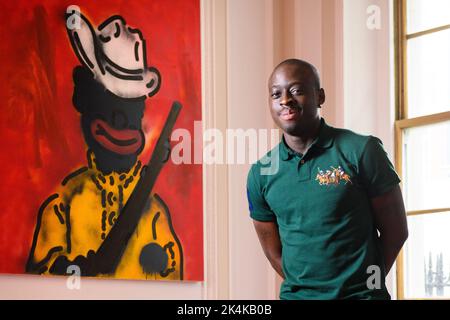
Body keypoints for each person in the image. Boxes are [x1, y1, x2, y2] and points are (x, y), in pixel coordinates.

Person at [26, 12, 183, 280]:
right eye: (113, 113)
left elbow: (174, 273)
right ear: (89, 112)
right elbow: (41, 269)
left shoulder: (154, 211)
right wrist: (73, 269)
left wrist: (160, 264)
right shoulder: (66, 201)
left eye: (133, 115)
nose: (123, 127)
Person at [246, 58, 408, 299]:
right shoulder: (261, 173)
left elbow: (396, 231)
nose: (285, 100)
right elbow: (274, 254)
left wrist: (368, 285)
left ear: (320, 96)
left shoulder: (363, 150)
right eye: (275, 94)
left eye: (297, 91)